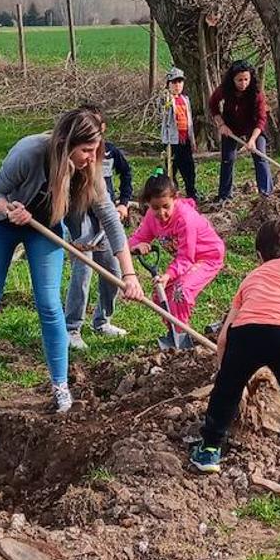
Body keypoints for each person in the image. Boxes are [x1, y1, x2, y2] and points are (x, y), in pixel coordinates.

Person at [0, 108, 145, 413]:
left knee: (48, 303)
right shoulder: (30, 152)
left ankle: (60, 387)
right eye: (86, 150)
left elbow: (111, 222)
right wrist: (9, 210)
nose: (91, 156)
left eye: (95, 149)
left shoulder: (88, 171)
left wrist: (129, 275)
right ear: (67, 143)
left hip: (44, 229)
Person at [189, 219, 280, 491]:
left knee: (226, 393)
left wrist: (226, 367)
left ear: (259, 256)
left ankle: (209, 449)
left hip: (246, 333)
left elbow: (224, 334)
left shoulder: (252, 276)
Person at [66, 112, 134, 351]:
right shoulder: (71, 158)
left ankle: (102, 320)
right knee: (83, 268)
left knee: (112, 271)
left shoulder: (108, 152)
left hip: (103, 216)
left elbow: (126, 175)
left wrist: (130, 275)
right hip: (79, 215)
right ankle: (72, 328)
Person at [128, 173, 224, 326]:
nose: (161, 213)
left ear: (175, 198)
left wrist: (168, 275)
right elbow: (137, 239)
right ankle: (173, 331)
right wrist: (133, 247)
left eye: (166, 206)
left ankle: (180, 335)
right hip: (185, 259)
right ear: (148, 204)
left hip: (208, 257)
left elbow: (186, 258)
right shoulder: (151, 217)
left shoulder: (185, 219)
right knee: (159, 294)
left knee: (180, 292)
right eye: (155, 208)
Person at [208, 60, 271, 203]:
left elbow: (261, 119)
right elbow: (213, 105)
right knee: (227, 159)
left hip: (253, 127)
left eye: (246, 79)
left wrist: (252, 140)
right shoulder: (224, 89)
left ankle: (266, 196)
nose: (243, 83)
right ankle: (224, 196)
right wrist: (221, 124)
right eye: (239, 80)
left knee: (260, 156)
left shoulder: (256, 93)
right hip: (231, 127)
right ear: (233, 79)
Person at [160, 67, 197, 199]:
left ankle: (192, 193)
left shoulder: (185, 100)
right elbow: (162, 112)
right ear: (169, 84)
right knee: (170, 169)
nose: (177, 85)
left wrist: (192, 140)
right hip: (171, 141)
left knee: (188, 168)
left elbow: (189, 121)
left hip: (185, 140)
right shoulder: (167, 99)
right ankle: (171, 193)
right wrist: (167, 100)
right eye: (174, 82)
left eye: (180, 82)